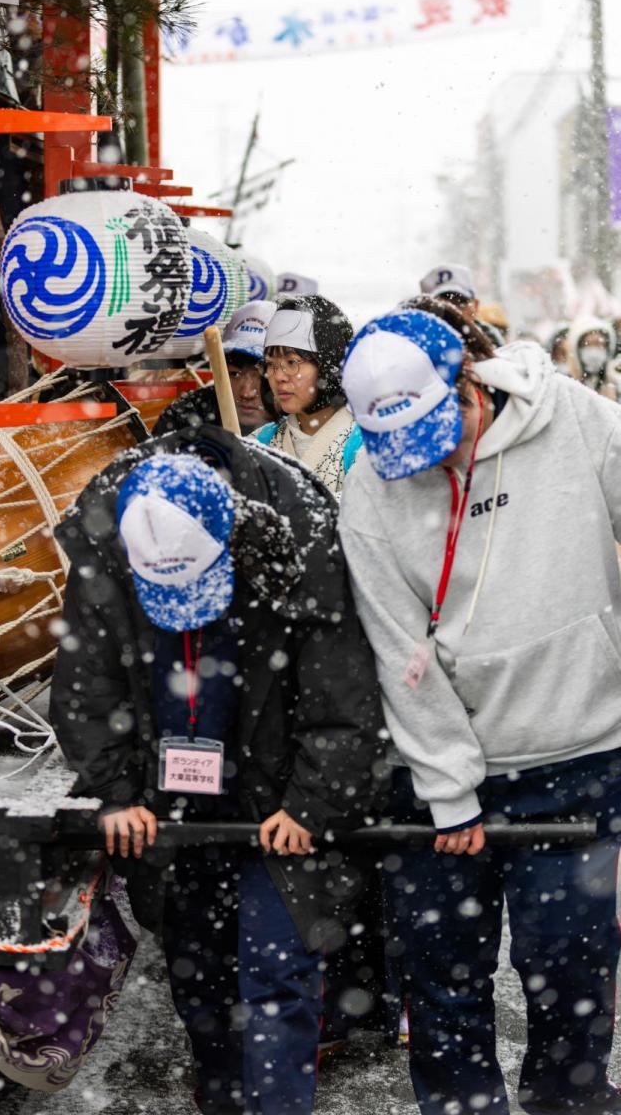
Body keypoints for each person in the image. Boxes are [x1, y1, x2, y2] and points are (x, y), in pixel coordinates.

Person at [338, 299, 621, 1115]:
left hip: (579, 750)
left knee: (571, 973)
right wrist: (448, 785)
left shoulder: (569, 416)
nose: (435, 460)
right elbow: (394, 649)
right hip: (437, 773)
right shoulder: (372, 481)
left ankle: (567, 1100)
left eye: (440, 431)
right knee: (443, 985)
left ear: (467, 383)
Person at [49, 425, 384, 1115]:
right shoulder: (104, 540)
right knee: (195, 969)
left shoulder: (298, 528)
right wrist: (113, 793)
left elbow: (340, 691)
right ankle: (222, 1093)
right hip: (166, 795)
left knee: (277, 972)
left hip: (275, 793)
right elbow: (86, 683)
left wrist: (310, 804)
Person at [254, 295, 362, 497]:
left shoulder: (363, 444)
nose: (278, 376)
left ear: (328, 365)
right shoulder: (260, 441)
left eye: (292, 362)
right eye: (270, 364)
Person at [152, 301, 275, 436]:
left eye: (262, 377)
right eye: (234, 374)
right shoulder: (183, 418)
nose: (246, 393)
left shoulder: (297, 424)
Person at [567, 314, 620, 401]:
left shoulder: (616, 386)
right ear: (577, 349)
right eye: (589, 344)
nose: (594, 350)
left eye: (599, 344)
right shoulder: (566, 385)